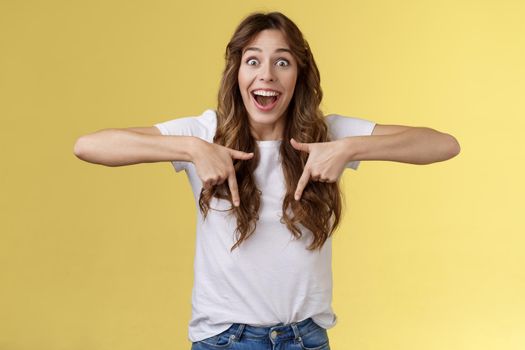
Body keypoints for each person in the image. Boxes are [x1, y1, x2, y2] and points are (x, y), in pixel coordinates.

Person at [74, 11, 460, 350]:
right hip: (224, 340)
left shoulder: (328, 134)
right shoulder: (207, 131)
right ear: (237, 72)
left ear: (300, 75)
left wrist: (350, 149)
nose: (266, 75)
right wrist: (193, 148)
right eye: (253, 60)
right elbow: (90, 146)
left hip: (306, 339)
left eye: (283, 63)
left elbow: (443, 144)